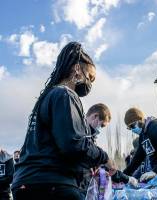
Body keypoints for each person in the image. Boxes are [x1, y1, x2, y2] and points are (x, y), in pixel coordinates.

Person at [12, 42, 116, 200]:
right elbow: (73, 144)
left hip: (27, 182)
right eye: (90, 77)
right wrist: (105, 158)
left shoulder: (48, 97)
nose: (90, 83)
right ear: (76, 68)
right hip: (51, 184)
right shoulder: (65, 95)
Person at [79, 103, 138, 198]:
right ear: (95, 116)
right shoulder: (80, 133)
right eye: (101, 125)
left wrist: (96, 170)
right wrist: (105, 159)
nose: (100, 129)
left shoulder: (89, 137)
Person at [123, 108, 157, 182]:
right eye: (129, 128)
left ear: (139, 120)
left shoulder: (155, 128)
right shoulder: (143, 136)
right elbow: (137, 159)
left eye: (132, 126)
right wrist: (122, 175)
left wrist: (155, 171)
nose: (132, 130)